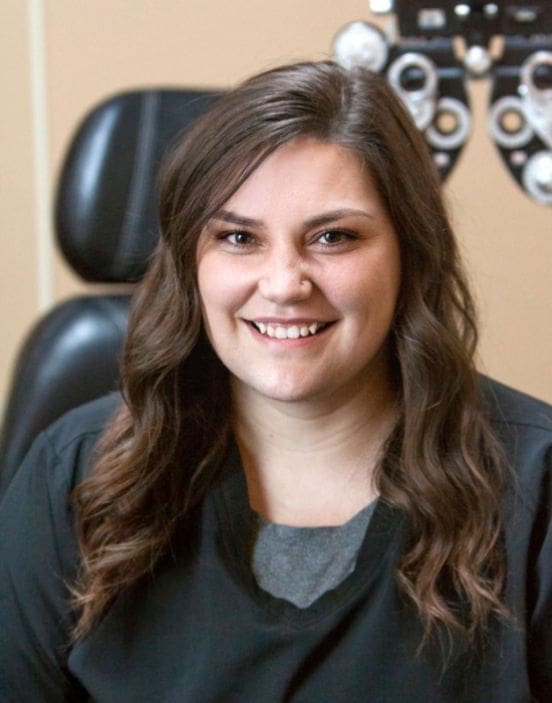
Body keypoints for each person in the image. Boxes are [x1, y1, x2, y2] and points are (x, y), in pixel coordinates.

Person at [0, 61, 550, 702]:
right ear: (190, 264)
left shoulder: (536, 488)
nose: (285, 283)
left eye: (334, 237)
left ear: (411, 253)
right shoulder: (74, 474)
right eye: (238, 237)